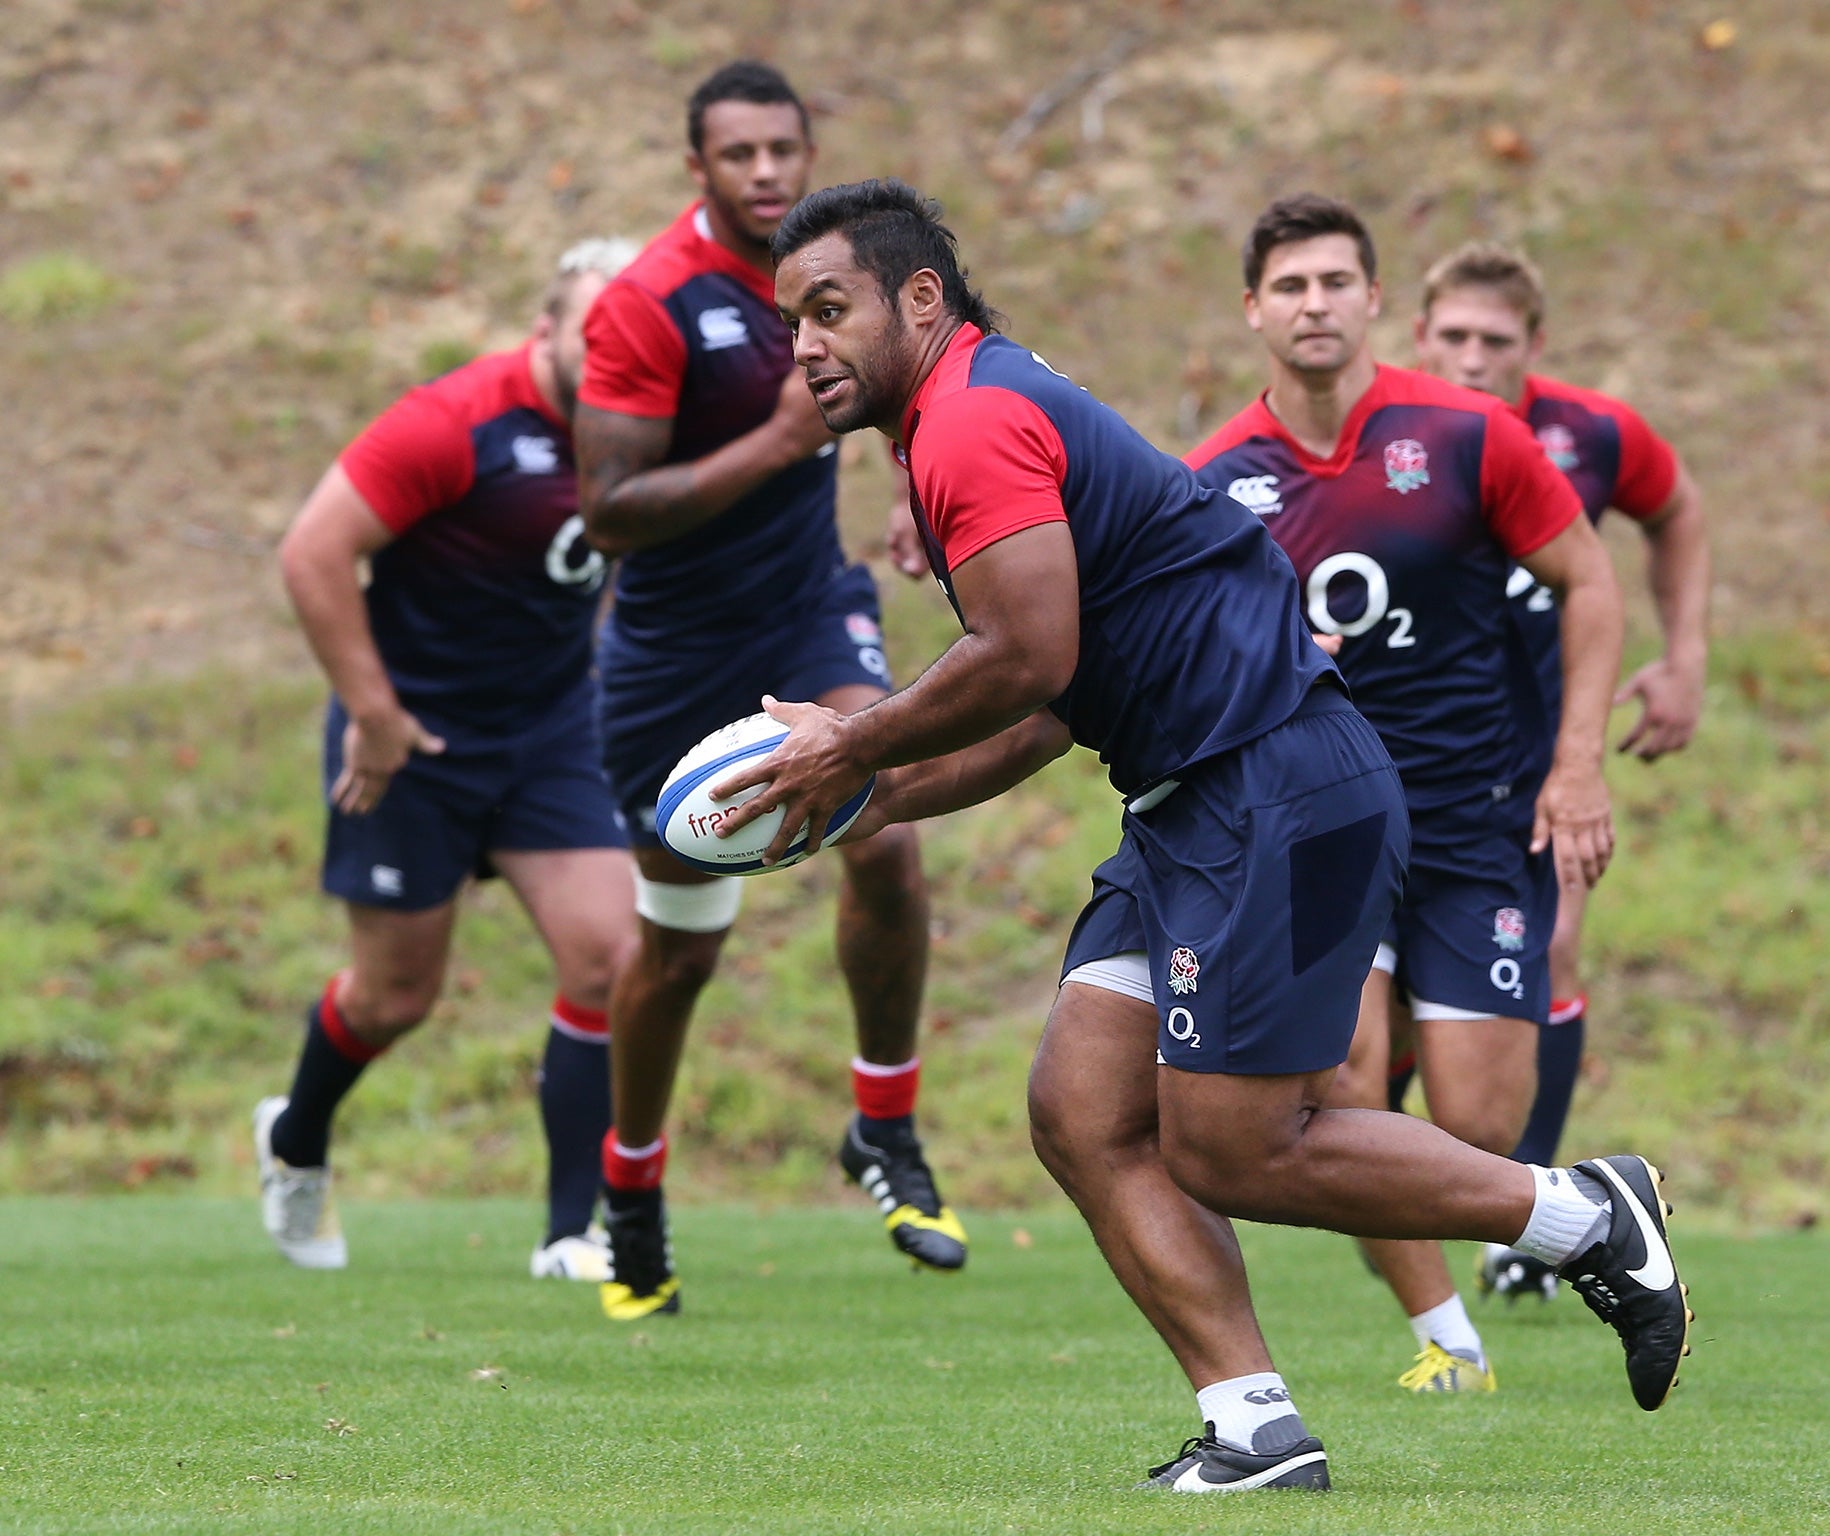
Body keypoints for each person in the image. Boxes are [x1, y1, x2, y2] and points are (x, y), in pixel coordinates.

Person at [723, 177, 1691, 1492]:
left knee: (1239, 1145)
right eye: (792, 323)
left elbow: (1023, 654)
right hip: (1193, 803)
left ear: (921, 298)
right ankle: (1255, 1428)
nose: (809, 346)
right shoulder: (970, 416)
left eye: (829, 309)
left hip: (1272, 781)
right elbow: (1057, 700)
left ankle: (1585, 1214)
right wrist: (879, 794)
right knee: (1081, 1109)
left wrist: (853, 741)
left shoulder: (974, 418)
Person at [1181, 195, 1627, 1393]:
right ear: (1252, 311)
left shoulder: (1472, 435)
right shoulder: (1213, 482)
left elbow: (1588, 582)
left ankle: (1570, 1219)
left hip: (1473, 820)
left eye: (1334, 281)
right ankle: (1448, 1339)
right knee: (1335, 1082)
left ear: (1376, 301)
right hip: (1321, 829)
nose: (1312, 304)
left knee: (1480, 1122)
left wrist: (1575, 762)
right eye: (1288, 286)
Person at [571, 62, 956, 1323]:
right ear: (700, 168)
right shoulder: (646, 303)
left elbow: (920, 373)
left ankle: (883, 1128)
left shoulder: (839, 273)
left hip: (807, 613)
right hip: (672, 657)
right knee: (676, 956)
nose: (765, 173)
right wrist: (777, 443)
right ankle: (629, 1197)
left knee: (887, 835)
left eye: (782, 148)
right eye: (736, 155)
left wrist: (912, 479)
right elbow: (610, 513)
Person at [256, 237, 641, 1281]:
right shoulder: (455, 421)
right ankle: (295, 1143)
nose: (615, 356)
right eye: (592, 332)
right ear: (545, 332)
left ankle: (570, 1234)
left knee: (608, 955)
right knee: (394, 999)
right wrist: (371, 714)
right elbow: (312, 551)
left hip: (551, 734)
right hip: (411, 738)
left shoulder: (643, 434)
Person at [1412, 241, 1710, 1301]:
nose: (1470, 358)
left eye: (1493, 342)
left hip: (1541, 763)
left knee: (1559, 950)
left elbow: (1673, 510)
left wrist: (1683, 658)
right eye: (1451, 337)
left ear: (1533, 348)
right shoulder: (1393, 440)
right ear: (1417, 337)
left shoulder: (1586, 434)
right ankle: (1488, 1206)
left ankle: (1527, 1225)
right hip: (1404, 771)